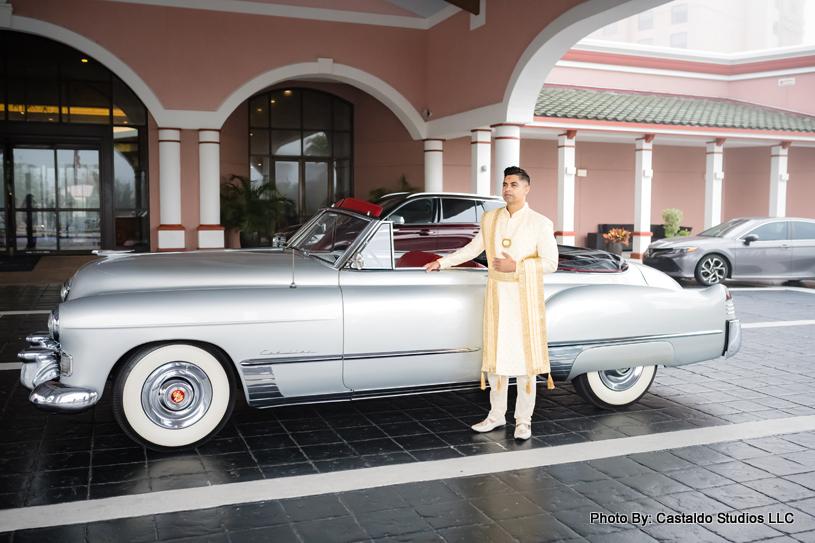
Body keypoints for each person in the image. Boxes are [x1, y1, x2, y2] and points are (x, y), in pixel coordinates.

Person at [424, 166, 558, 440]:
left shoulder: (539, 223)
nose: (508, 189)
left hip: (524, 297)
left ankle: (523, 420)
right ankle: (496, 415)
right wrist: (442, 261)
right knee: (497, 358)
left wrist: (516, 266)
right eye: (505, 184)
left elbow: (551, 263)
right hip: (497, 296)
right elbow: (473, 249)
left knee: (524, 361)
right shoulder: (490, 219)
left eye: (514, 184)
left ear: (526, 189)